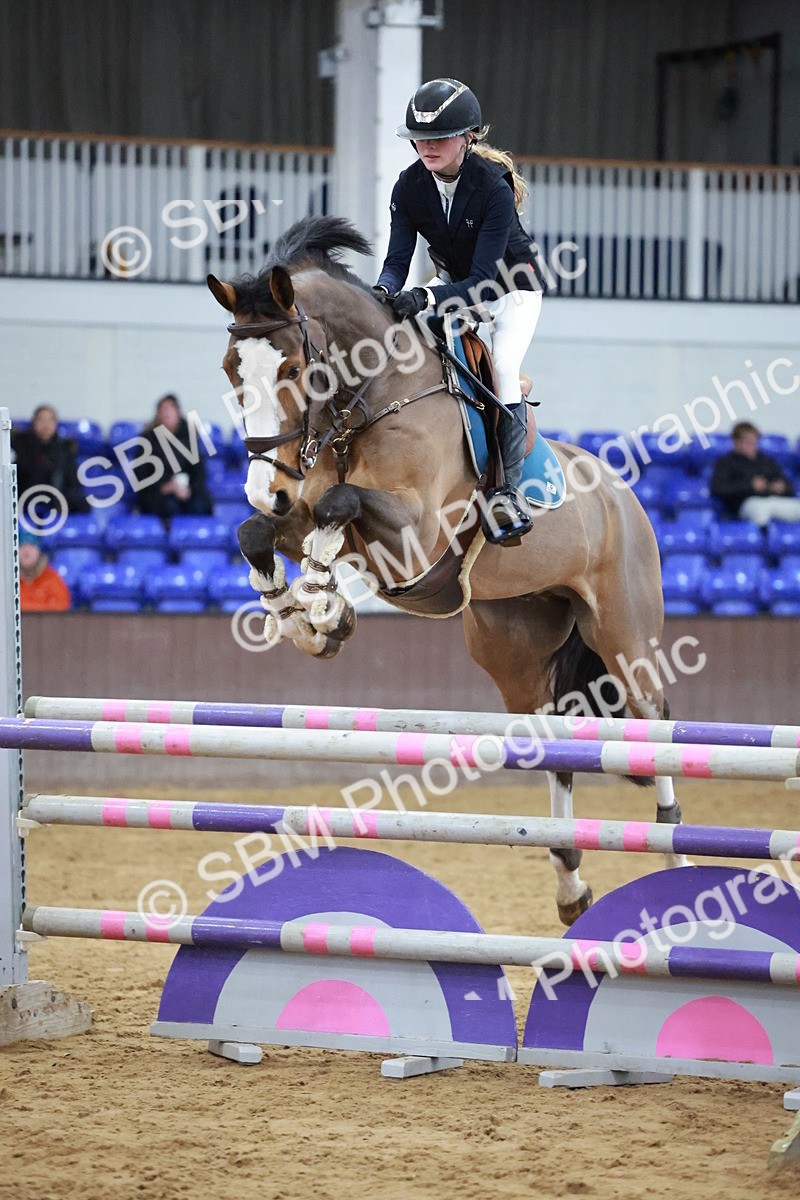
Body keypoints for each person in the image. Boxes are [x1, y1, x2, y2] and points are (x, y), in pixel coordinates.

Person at [373, 77, 545, 545]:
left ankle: (508, 491)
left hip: (510, 290)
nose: (426, 147)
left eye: (438, 138)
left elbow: (486, 281)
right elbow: (396, 261)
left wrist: (425, 298)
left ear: (467, 137)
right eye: (420, 139)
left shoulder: (492, 186)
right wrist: (385, 292)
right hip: (454, 284)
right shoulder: (409, 185)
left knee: (504, 367)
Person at [133, 395, 214, 521]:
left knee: (200, 505)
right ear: (158, 415)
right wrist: (166, 487)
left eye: (170, 410)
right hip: (159, 494)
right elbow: (141, 476)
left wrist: (189, 490)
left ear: (177, 412)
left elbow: (199, 472)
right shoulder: (148, 440)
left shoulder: (189, 437)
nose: (167, 414)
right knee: (168, 506)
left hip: (188, 492)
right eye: (163, 410)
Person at [710, 422, 800, 526]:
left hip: (775, 500)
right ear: (736, 442)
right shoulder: (726, 462)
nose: (752, 445)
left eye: (754, 441)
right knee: (761, 510)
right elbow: (718, 488)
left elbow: (788, 486)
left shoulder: (767, 461)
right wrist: (750, 486)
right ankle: (764, 540)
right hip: (748, 503)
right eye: (747, 441)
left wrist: (782, 488)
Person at [12, 405, 89, 515]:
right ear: (33, 423)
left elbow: (72, 483)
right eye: (41, 419)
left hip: (57, 500)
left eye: (50, 420)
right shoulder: (21, 446)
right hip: (27, 499)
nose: (46, 424)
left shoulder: (64, 449)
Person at [18, 530, 72, 612]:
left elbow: (61, 608)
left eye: (31, 545)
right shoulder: (8, 581)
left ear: (39, 550)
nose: (26, 550)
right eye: (21, 545)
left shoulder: (51, 577)